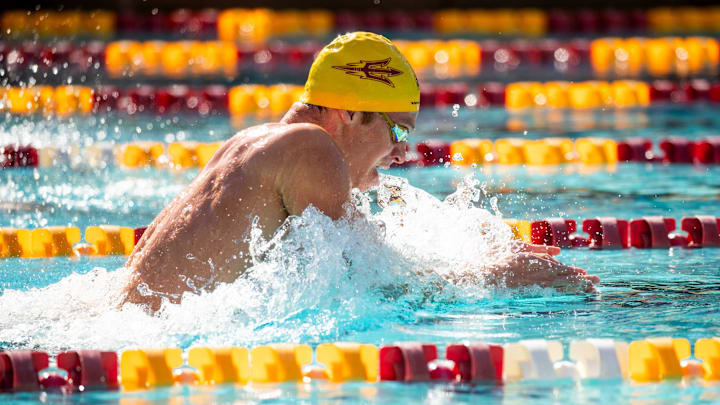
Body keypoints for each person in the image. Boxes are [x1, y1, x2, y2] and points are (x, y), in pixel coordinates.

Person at [122, 32, 598, 311]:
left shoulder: (251, 143)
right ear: (349, 113)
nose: (401, 154)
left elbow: (374, 262)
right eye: (398, 132)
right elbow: (373, 289)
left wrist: (477, 254)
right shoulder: (311, 148)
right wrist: (497, 277)